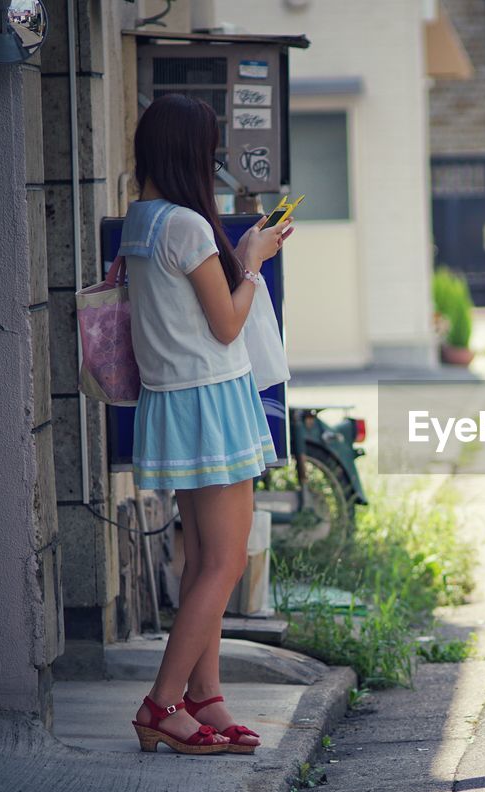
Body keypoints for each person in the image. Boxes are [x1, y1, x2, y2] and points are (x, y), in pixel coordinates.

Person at [122, 94, 294, 755]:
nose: (215, 160)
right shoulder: (188, 227)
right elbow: (228, 322)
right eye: (211, 149)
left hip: (174, 402)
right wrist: (253, 262)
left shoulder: (143, 220)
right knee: (223, 562)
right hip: (211, 402)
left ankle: (206, 695)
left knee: (202, 561)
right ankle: (162, 703)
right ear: (190, 153)